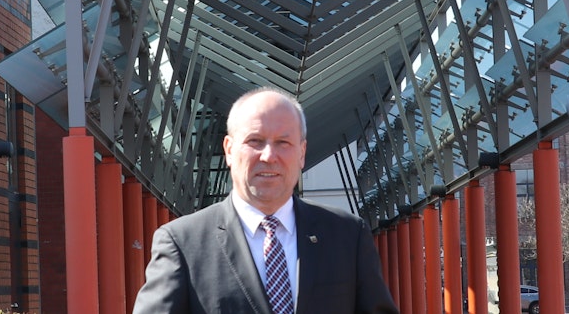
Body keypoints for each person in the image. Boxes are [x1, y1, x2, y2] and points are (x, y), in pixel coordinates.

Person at [133, 87, 398, 314]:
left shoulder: (347, 235)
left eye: (283, 142)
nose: (269, 156)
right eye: (255, 141)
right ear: (229, 149)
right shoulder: (182, 243)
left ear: (302, 152)